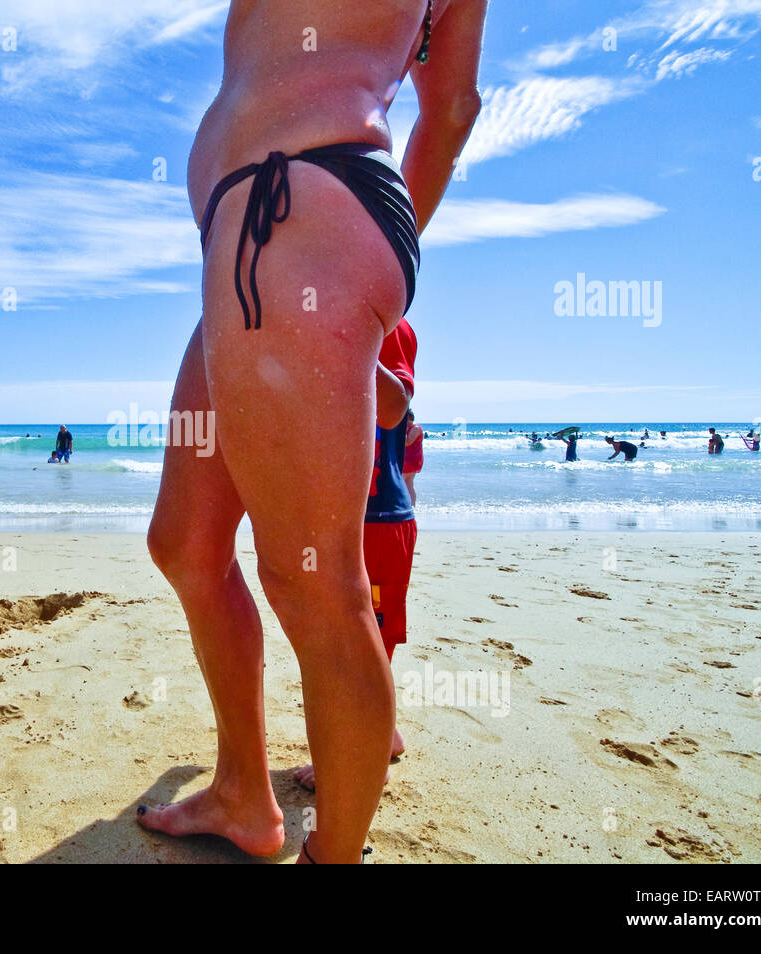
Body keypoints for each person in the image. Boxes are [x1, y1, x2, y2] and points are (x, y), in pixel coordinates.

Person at [140, 0, 486, 864]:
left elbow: (450, 111)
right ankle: (242, 796)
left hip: (294, 206)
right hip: (254, 227)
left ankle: (335, 856)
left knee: (312, 584)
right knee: (185, 544)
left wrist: (346, 234)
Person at [295, 318, 419, 794]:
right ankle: (382, 734)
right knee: (346, 635)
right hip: (342, 512)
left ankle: (366, 756)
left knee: (367, 641)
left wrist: (341, 338)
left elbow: (394, 406)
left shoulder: (390, 326)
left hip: (380, 520)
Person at [402, 408, 424, 505]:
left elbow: (408, 442)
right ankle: (411, 505)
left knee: (406, 483)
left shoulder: (415, 428)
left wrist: (403, 429)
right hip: (408, 458)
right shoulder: (412, 428)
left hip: (411, 459)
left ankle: (409, 505)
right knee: (408, 484)